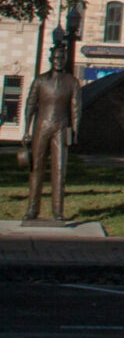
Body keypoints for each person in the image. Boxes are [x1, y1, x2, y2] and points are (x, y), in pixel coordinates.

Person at [21, 32, 83, 223]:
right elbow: (30, 105)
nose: (59, 61)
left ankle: (58, 211)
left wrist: (74, 131)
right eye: (56, 57)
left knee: (59, 169)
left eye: (62, 58)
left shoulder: (71, 82)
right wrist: (26, 130)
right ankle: (32, 210)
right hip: (42, 126)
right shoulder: (40, 81)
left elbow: (76, 109)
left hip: (61, 127)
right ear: (51, 58)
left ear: (65, 59)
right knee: (36, 167)